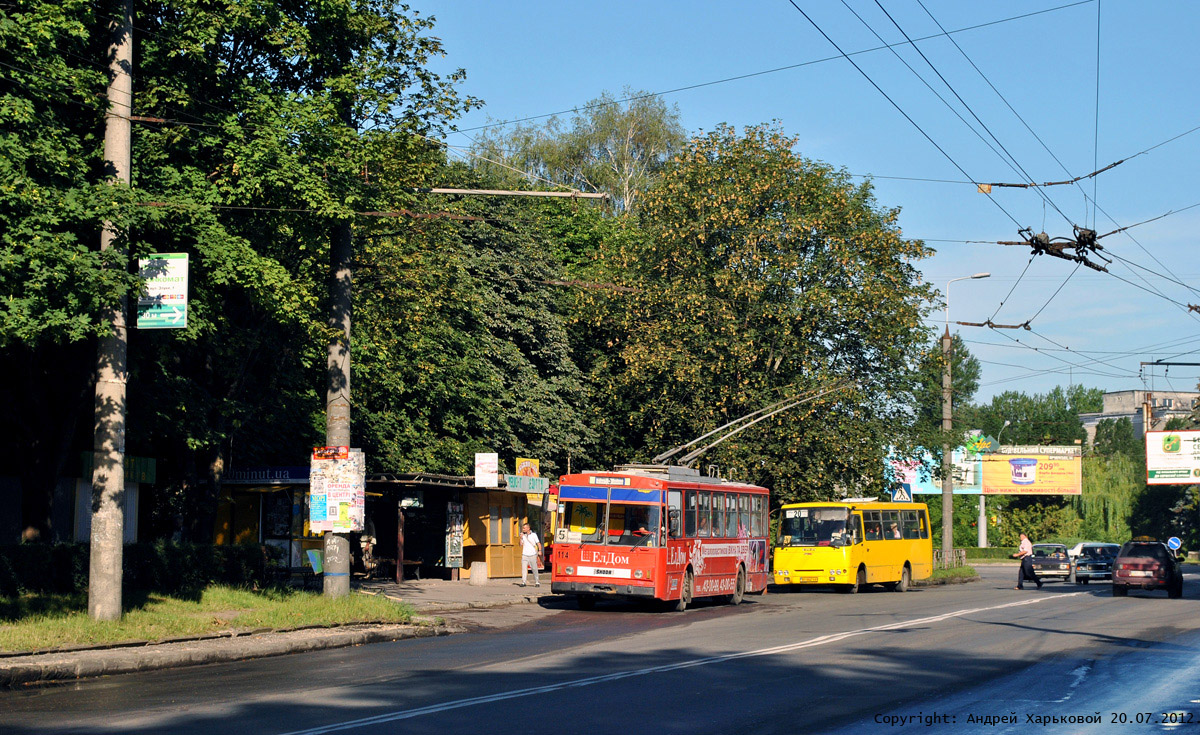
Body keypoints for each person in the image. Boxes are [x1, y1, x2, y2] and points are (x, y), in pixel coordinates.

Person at [519, 521, 542, 587]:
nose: (523, 529)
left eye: (524, 528)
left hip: (532, 554)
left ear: (528, 528)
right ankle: (523, 582)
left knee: (534, 568)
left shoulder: (534, 535)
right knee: (524, 569)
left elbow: (538, 543)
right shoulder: (523, 535)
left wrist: (539, 550)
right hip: (525, 554)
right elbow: (520, 544)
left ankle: (537, 582)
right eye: (523, 528)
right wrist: (520, 538)